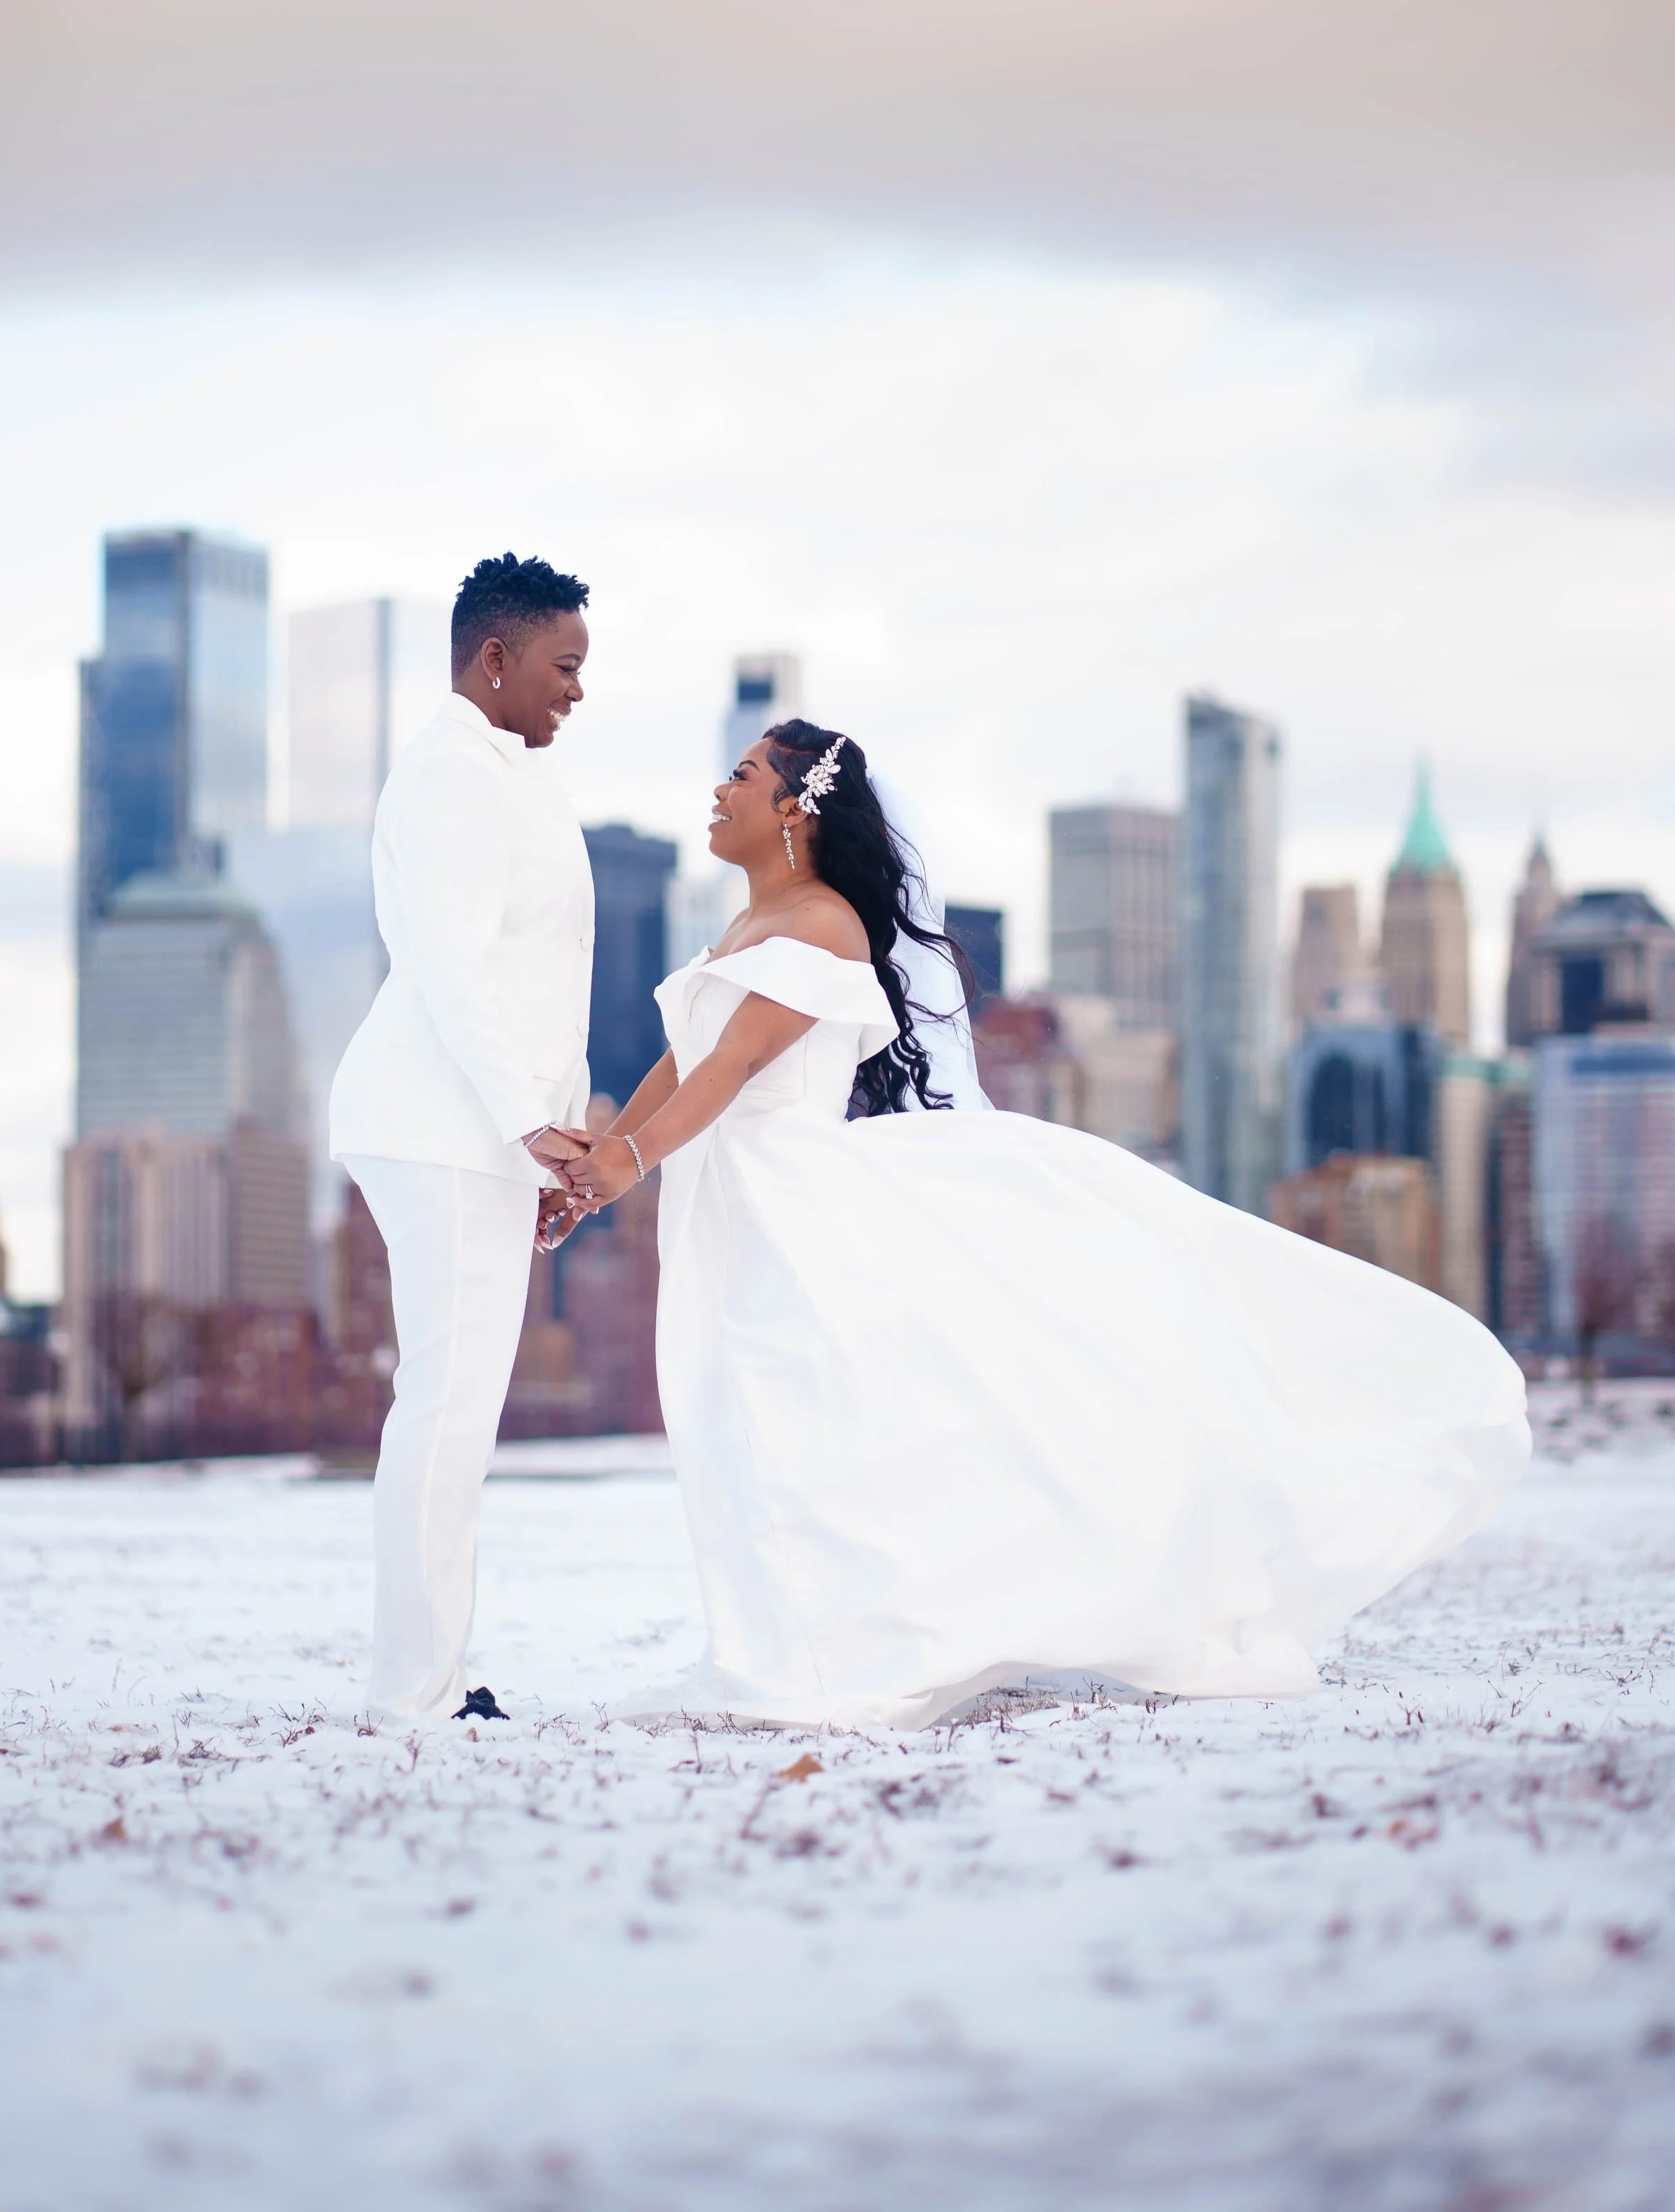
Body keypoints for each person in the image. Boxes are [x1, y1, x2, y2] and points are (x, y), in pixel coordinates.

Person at [555, 720, 1531, 1732]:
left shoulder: (824, 923)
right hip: (737, 1199)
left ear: (797, 805)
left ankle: (854, 1640)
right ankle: (794, 1635)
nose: (719, 790)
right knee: (755, 1414)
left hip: (803, 1202)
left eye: (743, 775)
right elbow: (682, 1060)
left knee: (817, 1411)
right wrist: (600, 1158)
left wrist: (622, 1166)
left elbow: (736, 1064)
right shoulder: (742, 930)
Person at [329, 552, 596, 1725]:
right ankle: (414, 1694)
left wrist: (549, 1136)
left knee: (457, 1409)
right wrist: (522, 1122)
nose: (577, 690)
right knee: (444, 1407)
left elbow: (543, 978)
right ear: (495, 658)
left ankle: (430, 1676)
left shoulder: (509, 774)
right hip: (437, 1123)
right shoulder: (450, 771)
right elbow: (447, 963)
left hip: (474, 1131)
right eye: (563, 664)